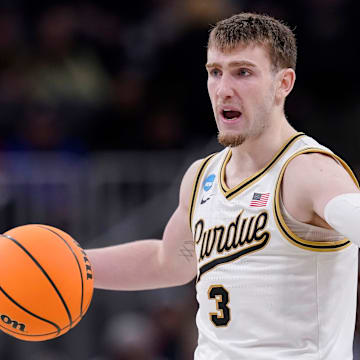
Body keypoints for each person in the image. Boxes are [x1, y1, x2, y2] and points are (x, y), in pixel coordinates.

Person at [86, 13, 360, 359]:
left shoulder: (308, 171)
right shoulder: (202, 176)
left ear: (283, 83)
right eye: (215, 72)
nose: (223, 89)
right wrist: (71, 263)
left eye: (243, 72)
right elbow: (167, 262)